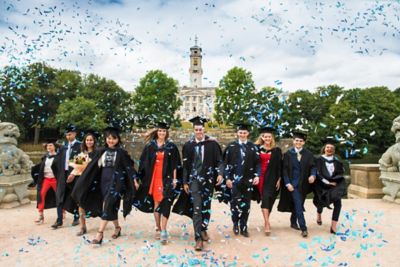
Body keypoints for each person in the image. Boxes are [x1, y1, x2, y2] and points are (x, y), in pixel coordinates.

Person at [71, 125, 138, 245]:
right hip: (103, 180)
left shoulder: (121, 152)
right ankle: (117, 228)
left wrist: (134, 179)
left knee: (107, 204)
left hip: (117, 181)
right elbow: (91, 166)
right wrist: (79, 175)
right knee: (109, 206)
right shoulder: (100, 151)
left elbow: (129, 167)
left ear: (118, 140)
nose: (111, 140)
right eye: (108, 138)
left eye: (113, 138)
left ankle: (99, 234)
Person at [173, 116, 224, 251]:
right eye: (196, 130)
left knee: (206, 207)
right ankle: (198, 239)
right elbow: (185, 166)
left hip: (208, 181)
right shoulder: (188, 145)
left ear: (204, 129)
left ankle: (203, 229)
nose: (199, 132)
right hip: (194, 180)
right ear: (193, 130)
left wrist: (220, 173)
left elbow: (219, 161)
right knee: (196, 209)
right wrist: (184, 182)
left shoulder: (213, 144)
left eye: (200, 129)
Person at [133, 122, 181, 244]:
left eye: (164, 131)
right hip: (154, 178)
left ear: (167, 133)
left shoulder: (171, 146)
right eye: (160, 131)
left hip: (168, 178)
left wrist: (175, 179)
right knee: (156, 203)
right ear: (157, 132)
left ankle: (164, 229)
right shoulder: (150, 146)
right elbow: (143, 163)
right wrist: (139, 178)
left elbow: (175, 164)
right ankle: (158, 227)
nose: (161, 133)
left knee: (166, 203)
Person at [222, 123, 260, 237]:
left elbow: (257, 163)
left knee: (246, 205)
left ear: (248, 133)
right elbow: (225, 164)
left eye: (244, 132)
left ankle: (244, 226)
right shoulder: (231, 147)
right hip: (234, 181)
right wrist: (227, 178)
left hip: (247, 181)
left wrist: (257, 175)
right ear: (237, 133)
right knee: (235, 204)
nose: (242, 134)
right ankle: (235, 224)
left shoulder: (253, 147)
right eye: (240, 132)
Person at [278, 131, 316, 238]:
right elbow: (284, 171)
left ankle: (293, 221)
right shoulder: (288, 154)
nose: (298, 142)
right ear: (293, 141)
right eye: (296, 140)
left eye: (300, 141)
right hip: (292, 185)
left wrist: (313, 175)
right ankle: (304, 228)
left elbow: (313, 167)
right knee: (299, 205)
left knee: (299, 203)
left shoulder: (308, 154)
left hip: (304, 184)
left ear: (303, 142)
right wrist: (287, 183)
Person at [313, 138, 346, 234]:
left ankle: (333, 226)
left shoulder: (337, 161)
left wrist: (336, 180)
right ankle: (319, 214)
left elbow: (340, 173)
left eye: (331, 148)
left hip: (334, 185)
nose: (329, 149)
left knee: (338, 203)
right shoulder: (318, 159)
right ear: (324, 148)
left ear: (334, 150)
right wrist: (326, 182)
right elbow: (317, 173)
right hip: (321, 184)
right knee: (320, 203)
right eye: (327, 147)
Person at [254, 127, 282, 236]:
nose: (267, 138)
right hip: (261, 177)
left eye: (269, 136)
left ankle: (266, 219)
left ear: (272, 138)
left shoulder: (277, 150)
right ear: (262, 137)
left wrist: (279, 179)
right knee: (265, 197)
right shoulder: (257, 149)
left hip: (273, 177)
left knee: (271, 199)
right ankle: (266, 223)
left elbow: (280, 165)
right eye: (265, 136)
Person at [52, 124, 81, 229]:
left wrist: (73, 173)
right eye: (67, 135)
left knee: (74, 196)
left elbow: (80, 162)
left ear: (74, 134)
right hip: (62, 175)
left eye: (70, 134)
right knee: (59, 196)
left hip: (74, 175)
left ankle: (76, 217)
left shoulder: (79, 146)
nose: (68, 137)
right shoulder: (63, 146)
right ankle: (59, 220)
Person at [73, 130, 99, 236]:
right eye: (87, 140)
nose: (89, 142)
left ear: (94, 141)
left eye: (91, 140)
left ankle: (112, 223)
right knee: (80, 204)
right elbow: (77, 169)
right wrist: (71, 175)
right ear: (85, 141)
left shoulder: (98, 153)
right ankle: (83, 227)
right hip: (83, 181)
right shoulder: (82, 154)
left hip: (95, 182)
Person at [31, 139, 60, 225]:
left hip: (55, 179)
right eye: (47, 146)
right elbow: (40, 167)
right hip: (46, 179)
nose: (49, 147)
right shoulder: (45, 157)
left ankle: (62, 212)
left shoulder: (58, 157)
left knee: (59, 196)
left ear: (54, 147)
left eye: (50, 145)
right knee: (41, 195)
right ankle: (41, 215)